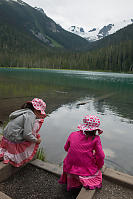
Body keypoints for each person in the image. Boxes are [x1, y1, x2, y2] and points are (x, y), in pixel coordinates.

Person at [59, 115, 105, 191]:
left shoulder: (73, 134)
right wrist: (99, 165)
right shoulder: (96, 139)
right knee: (97, 173)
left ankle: (72, 180)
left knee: (70, 158)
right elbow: (101, 156)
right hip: (85, 169)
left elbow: (66, 148)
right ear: (96, 129)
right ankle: (83, 178)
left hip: (69, 166)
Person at [0, 98, 47, 167]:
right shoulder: (31, 116)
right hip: (13, 140)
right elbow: (27, 135)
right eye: (40, 112)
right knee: (32, 139)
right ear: (36, 110)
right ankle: (11, 156)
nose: (40, 114)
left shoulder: (23, 111)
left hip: (5, 138)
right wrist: (36, 140)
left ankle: (4, 153)